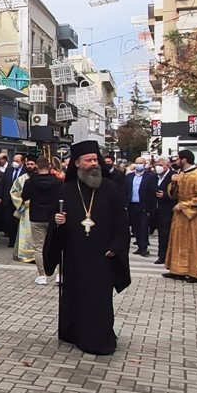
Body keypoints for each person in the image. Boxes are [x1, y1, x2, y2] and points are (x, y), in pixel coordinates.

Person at [44, 140, 130, 355]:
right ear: (78, 164)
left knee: (99, 299)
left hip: (103, 256)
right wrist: (57, 221)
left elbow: (121, 221)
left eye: (95, 160)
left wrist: (116, 246)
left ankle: (99, 339)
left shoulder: (110, 188)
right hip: (75, 256)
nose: (93, 164)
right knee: (76, 296)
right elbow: (55, 223)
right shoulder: (66, 189)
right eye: (88, 160)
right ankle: (74, 333)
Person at [164, 149, 197, 282]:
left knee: (195, 243)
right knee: (179, 242)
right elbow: (173, 195)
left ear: (184, 159)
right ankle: (178, 270)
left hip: (195, 215)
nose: (176, 161)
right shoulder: (180, 174)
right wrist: (173, 183)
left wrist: (184, 205)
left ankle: (195, 273)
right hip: (181, 215)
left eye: (178, 159)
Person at [22, 157, 63, 284]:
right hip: (53, 216)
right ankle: (59, 275)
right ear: (49, 166)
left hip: (36, 216)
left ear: (37, 167)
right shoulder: (57, 181)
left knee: (39, 247)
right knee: (56, 245)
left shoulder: (30, 181)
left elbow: (25, 196)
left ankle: (42, 275)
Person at [125, 159, 158, 257]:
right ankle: (139, 246)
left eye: (141, 163)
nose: (139, 165)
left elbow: (152, 193)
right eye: (137, 163)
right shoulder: (129, 176)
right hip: (132, 205)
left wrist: (150, 208)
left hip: (144, 205)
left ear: (144, 165)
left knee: (143, 227)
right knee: (135, 227)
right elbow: (126, 190)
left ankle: (144, 248)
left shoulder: (150, 176)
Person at [9, 156, 37, 264]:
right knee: (25, 233)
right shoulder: (21, 179)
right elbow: (13, 192)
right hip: (26, 210)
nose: (30, 166)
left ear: (36, 165)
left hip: (38, 209)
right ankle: (24, 254)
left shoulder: (41, 177)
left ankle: (37, 254)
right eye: (28, 164)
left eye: (32, 164)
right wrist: (22, 203)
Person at [0, 153, 25, 247]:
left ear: (22, 162)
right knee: (8, 220)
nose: (15, 163)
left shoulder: (25, 172)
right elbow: (2, 184)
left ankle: (18, 240)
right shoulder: (8, 170)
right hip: (8, 200)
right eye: (14, 161)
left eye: (17, 161)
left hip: (20, 201)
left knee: (17, 221)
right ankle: (11, 239)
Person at [153, 156, 177, 265]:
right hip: (158, 209)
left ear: (167, 166)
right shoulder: (155, 176)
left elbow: (177, 193)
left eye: (161, 165)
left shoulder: (173, 176)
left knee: (166, 233)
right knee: (161, 234)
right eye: (157, 165)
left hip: (168, 209)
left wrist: (166, 195)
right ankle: (161, 255)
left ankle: (167, 256)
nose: (158, 167)